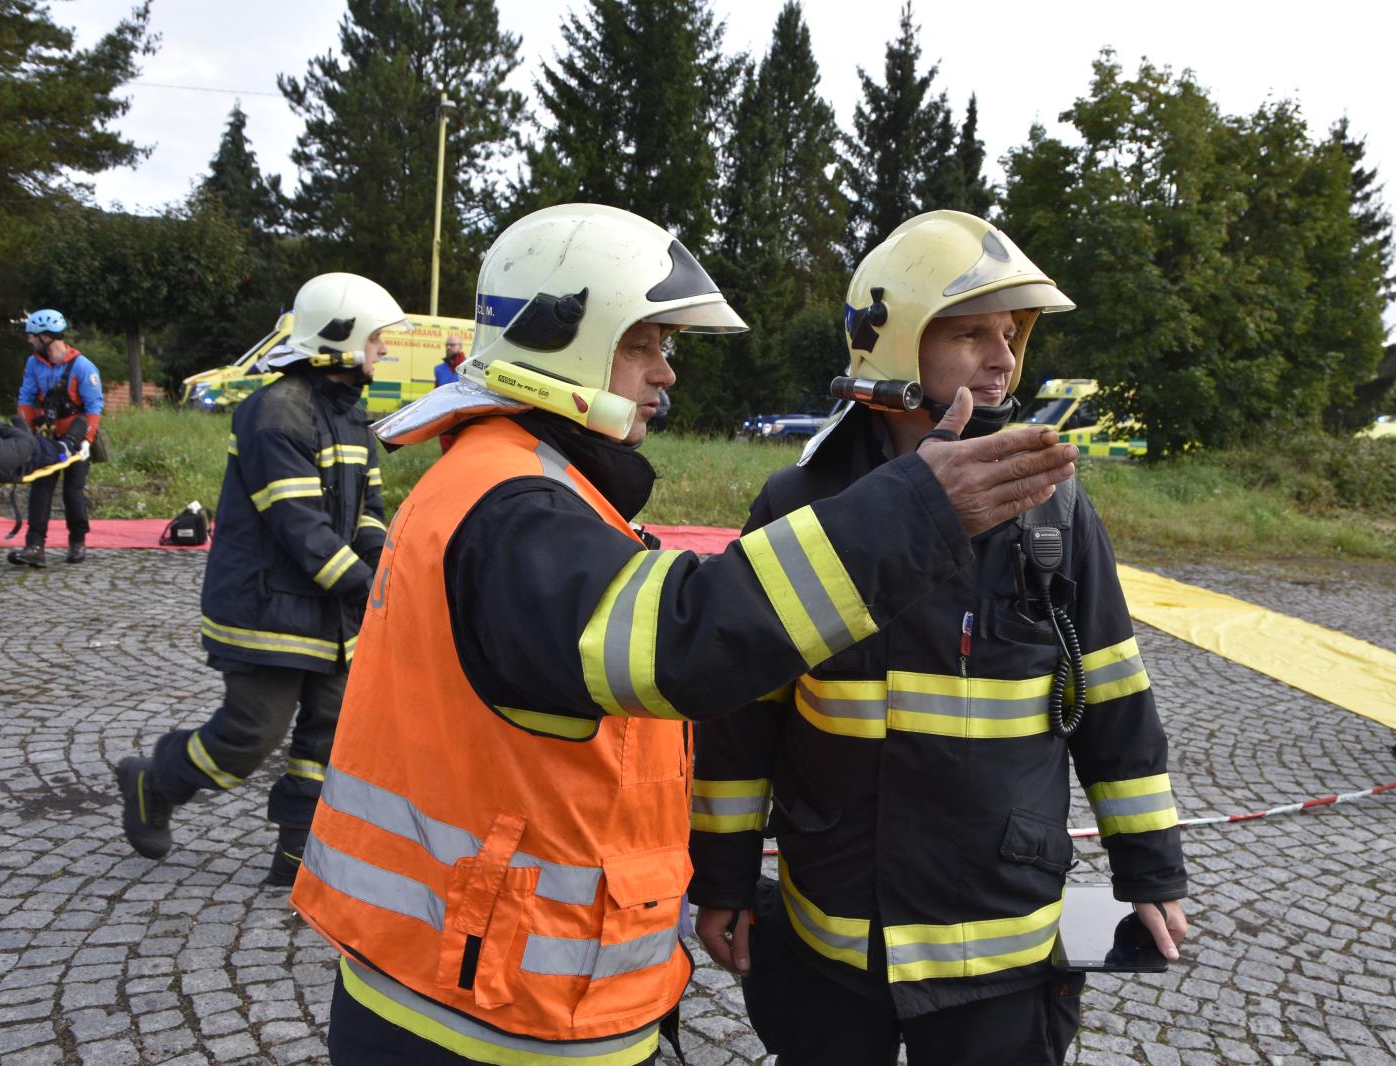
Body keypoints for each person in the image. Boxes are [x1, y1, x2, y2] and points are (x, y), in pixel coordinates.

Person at [286, 203, 1080, 1066]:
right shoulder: (512, 509)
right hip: (485, 1010)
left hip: (484, 979)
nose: (665, 375)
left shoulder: (512, 478)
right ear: (563, 339)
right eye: (644, 345)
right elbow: (686, 643)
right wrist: (914, 516)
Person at [689, 210, 1190, 1066]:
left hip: (998, 944)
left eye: (1010, 335)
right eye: (968, 334)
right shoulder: (797, 505)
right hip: (835, 933)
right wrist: (727, 878)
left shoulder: (1056, 508)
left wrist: (1149, 871)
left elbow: (1112, 698)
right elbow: (744, 714)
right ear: (893, 346)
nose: (1001, 359)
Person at [115, 273, 408, 886]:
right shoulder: (275, 413)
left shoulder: (353, 417)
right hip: (267, 612)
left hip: (331, 613)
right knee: (251, 735)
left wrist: (381, 560)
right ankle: (156, 780)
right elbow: (298, 524)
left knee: (332, 735)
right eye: (377, 339)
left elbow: (369, 511)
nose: (384, 350)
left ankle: (298, 850)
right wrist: (370, 588)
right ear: (340, 340)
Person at [9, 309, 103, 567]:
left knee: (73, 491)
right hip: (46, 438)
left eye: (33, 336)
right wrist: (24, 436)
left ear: (46, 337)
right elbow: (27, 398)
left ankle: (77, 541)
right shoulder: (33, 363)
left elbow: (94, 406)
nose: (30, 341)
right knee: (41, 488)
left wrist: (87, 440)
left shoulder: (83, 367)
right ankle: (34, 547)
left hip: (76, 438)